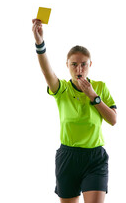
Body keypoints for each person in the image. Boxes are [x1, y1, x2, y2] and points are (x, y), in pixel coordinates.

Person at [32, 19, 117, 203]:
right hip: (68, 157)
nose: (79, 69)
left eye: (84, 64)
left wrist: (93, 96)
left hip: (95, 157)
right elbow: (48, 73)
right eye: (74, 64)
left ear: (90, 65)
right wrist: (40, 43)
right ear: (67, 65)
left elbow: (113, 119)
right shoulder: (62, 89)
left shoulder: (100, 87)